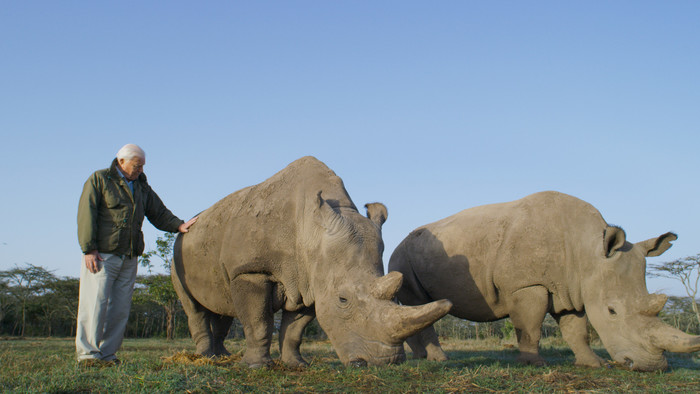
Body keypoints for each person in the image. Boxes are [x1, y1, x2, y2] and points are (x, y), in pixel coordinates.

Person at [75, 143, 197, 365]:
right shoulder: (100, 179)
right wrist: (89, 249)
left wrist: (179, 225)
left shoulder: (141, 186)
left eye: (142, 166)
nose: (140, 169)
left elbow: (158, 212)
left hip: (129, 256)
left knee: (120, 308)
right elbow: (86, 213)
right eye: (137, 165)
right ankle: (88, 355)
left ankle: (108, 354)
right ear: (121, 161)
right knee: (95, 305)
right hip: (102, 254)